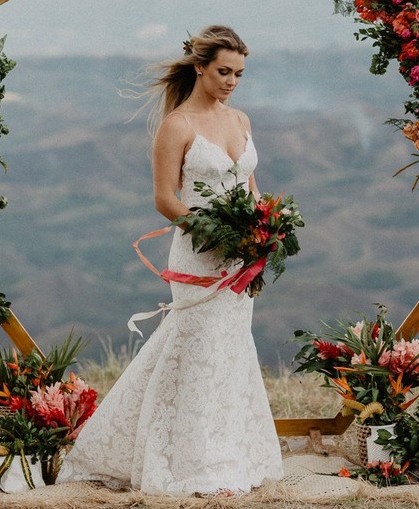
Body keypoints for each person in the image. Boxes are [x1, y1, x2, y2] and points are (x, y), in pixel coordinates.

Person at [56, 25, 283, 496]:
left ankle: (230, 448)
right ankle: (187, 459)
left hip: (242, 260)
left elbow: (251, 186)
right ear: (199, 66)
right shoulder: (177, 126)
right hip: (200, 256)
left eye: (239, 74)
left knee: (230, 347)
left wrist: (265, 229)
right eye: (223, 71)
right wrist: (216, 232)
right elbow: (165, 199)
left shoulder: (241, 120)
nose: (232, 81)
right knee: (195, 347)